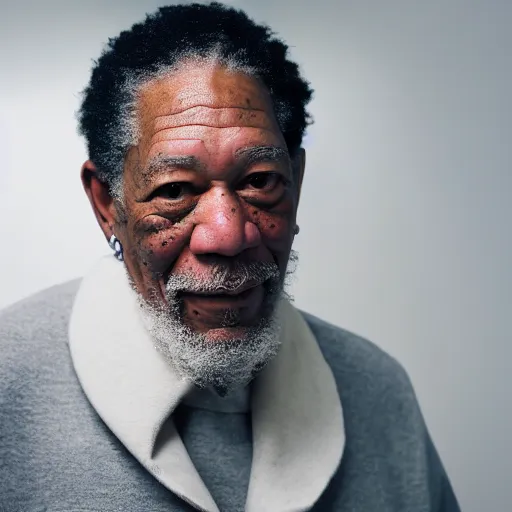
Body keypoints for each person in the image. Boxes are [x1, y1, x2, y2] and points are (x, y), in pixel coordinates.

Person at [0, 3, 460, 511]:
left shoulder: (378, 393)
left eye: (261, 181)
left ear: (297, 183)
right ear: (108, 204)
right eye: (174, 189)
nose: (227, 235)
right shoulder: (8, 378)